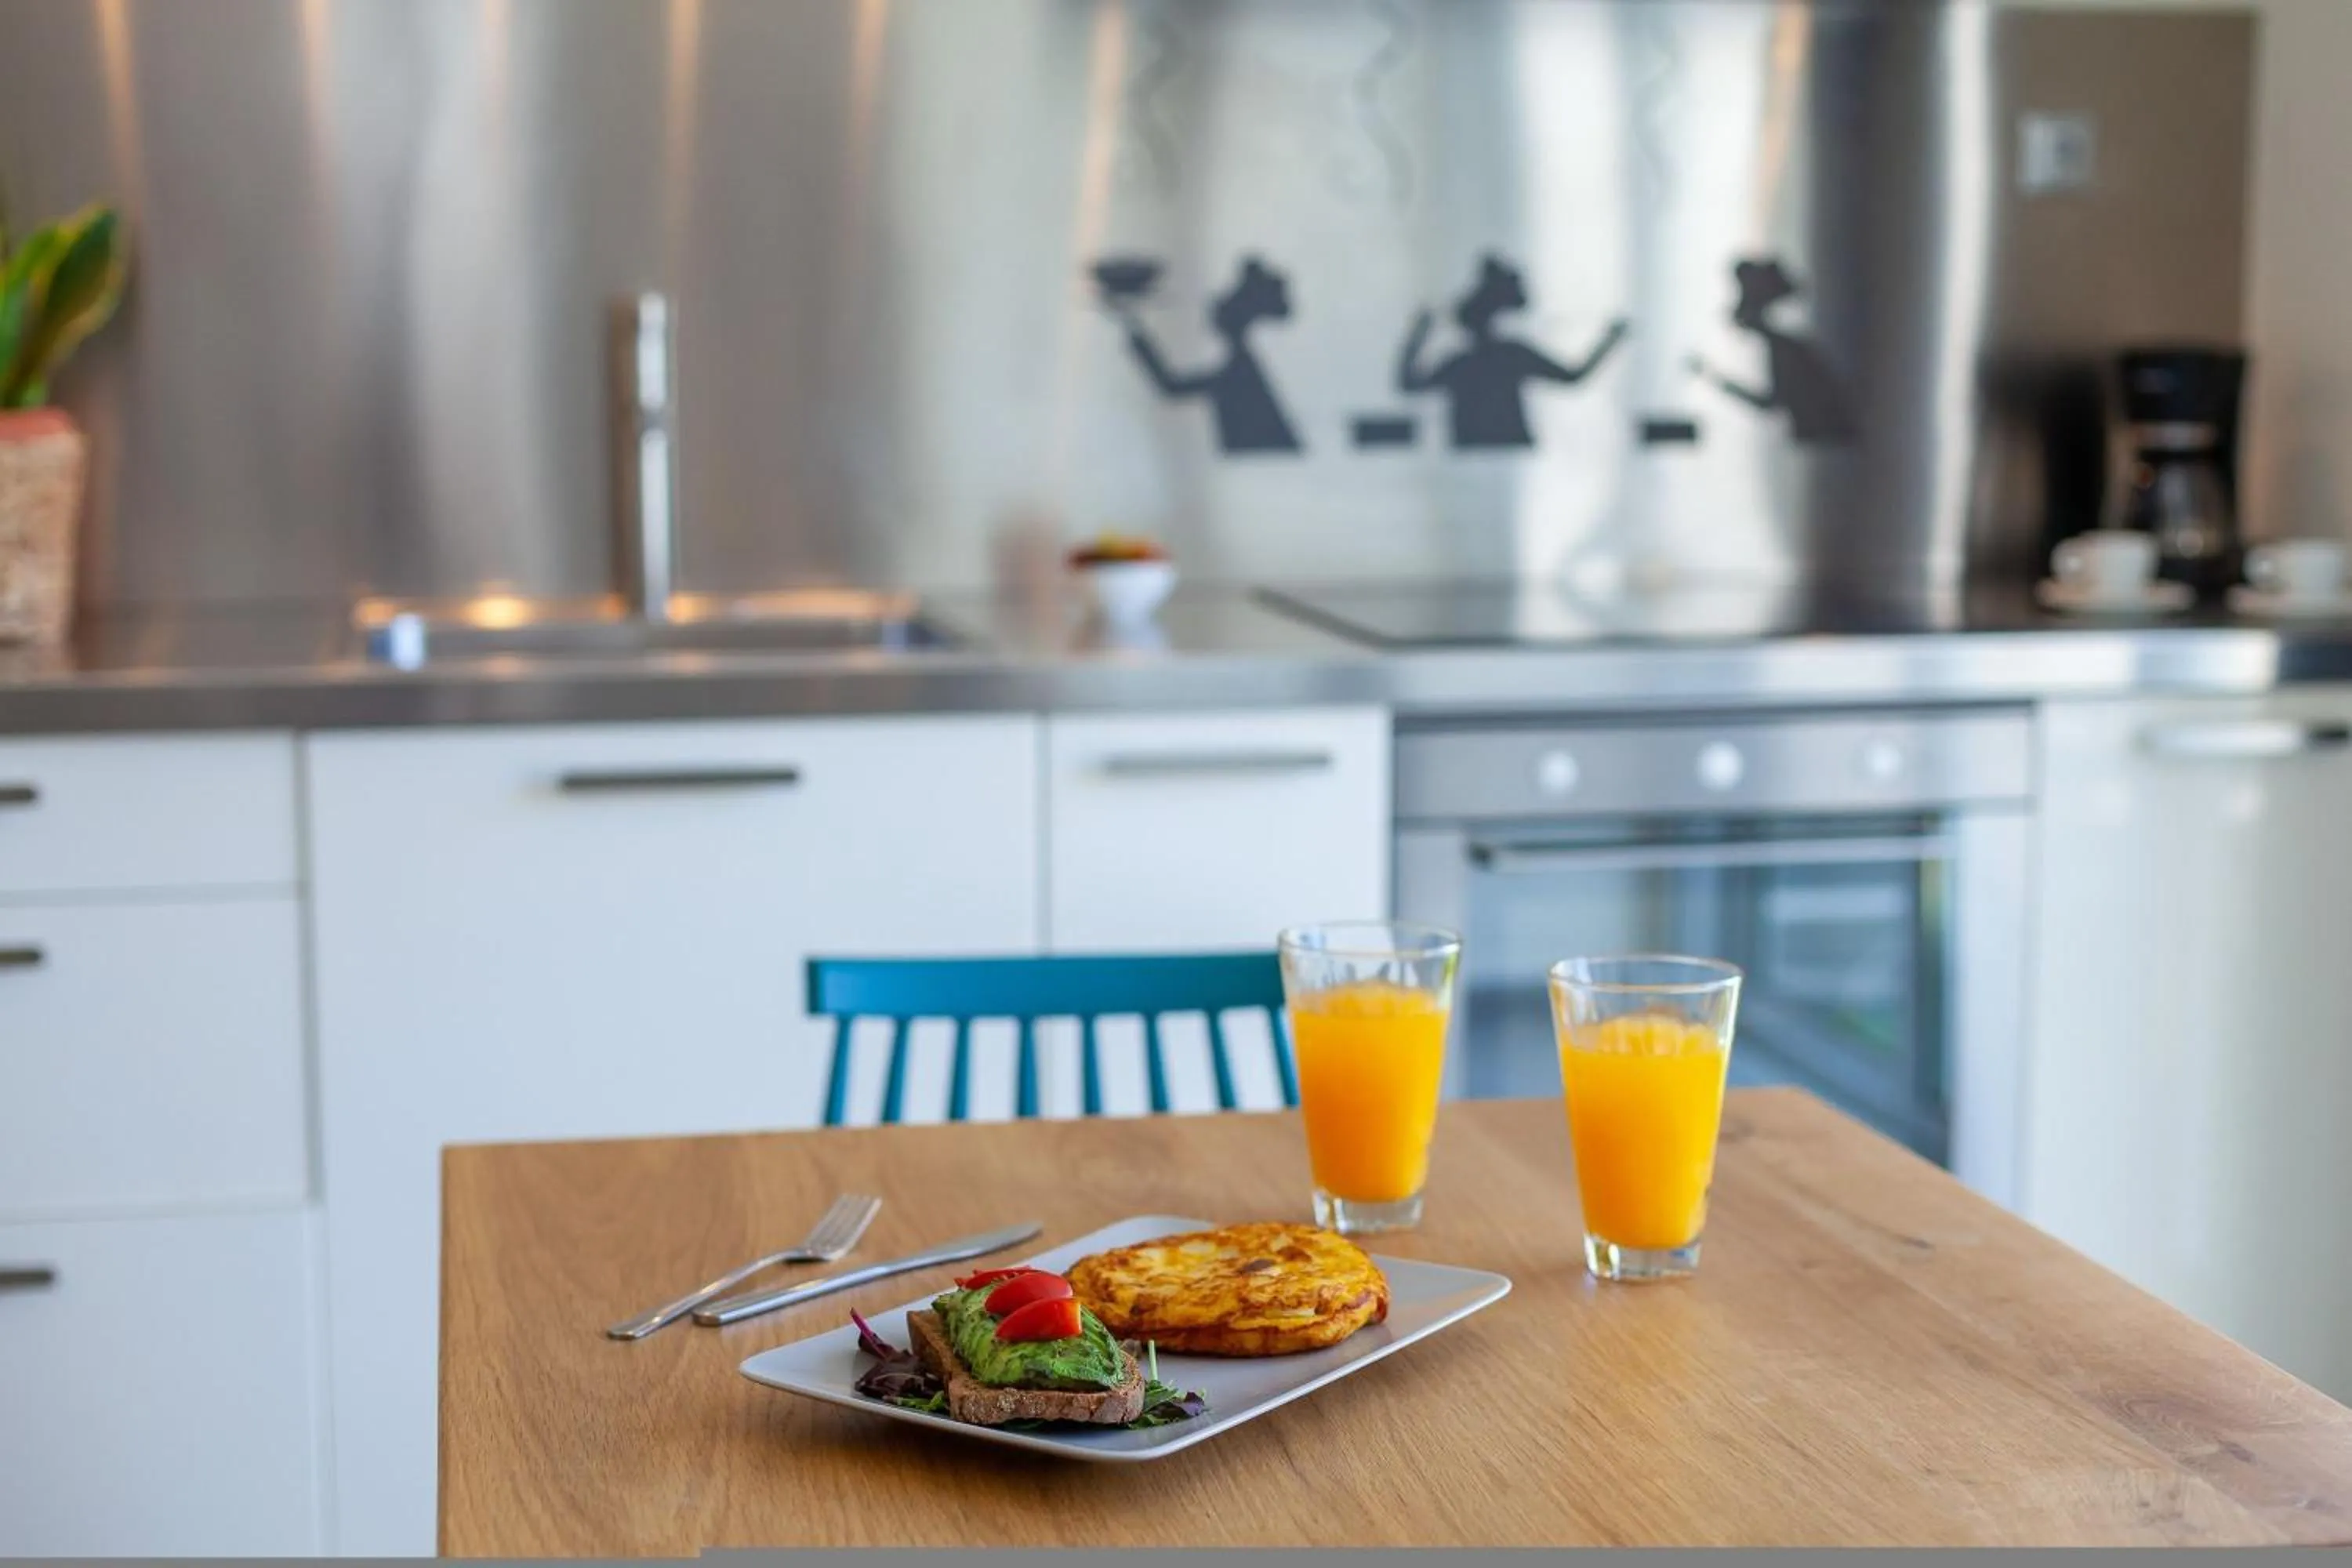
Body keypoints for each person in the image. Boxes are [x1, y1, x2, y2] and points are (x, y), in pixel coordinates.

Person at [1396, 254, 1630, 450]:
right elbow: (1573, 377)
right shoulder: (1508, 355)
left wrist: (1418, 336)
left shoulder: (1469, 361)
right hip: (1498, 452)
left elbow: (1410, 384)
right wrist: (1610, 341)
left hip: (1487, 452)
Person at [1116, 256, 1303, 455]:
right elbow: (1172, 386)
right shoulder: (1240, 367)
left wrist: (1137, 335)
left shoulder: (1241, 369)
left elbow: (1172, 386)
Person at [1686, 256, 1856, 445]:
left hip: (1831, 431)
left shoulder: (1786, 349)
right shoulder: (1785, 349)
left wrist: (1714, 378)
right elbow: (1770, 403)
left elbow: (1769, 403)